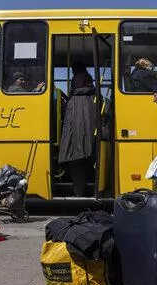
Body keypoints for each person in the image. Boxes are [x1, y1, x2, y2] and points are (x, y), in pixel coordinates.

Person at [58, 62, 97, 197]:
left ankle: (78, 194)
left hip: (75, 143)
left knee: (76, 165)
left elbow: (68, 123)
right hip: (93, 142)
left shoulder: (72, 101)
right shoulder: (96, 97)